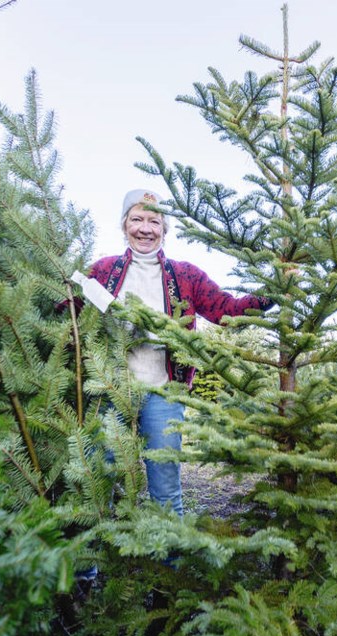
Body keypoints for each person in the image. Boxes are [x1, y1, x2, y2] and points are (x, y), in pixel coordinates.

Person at [69, 188, 273, 517]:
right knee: (99, 473)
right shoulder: (103, 271)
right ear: (124, 226)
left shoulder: (185, 275)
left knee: (165, 478)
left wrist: (274, 291)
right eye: (137, 219)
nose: (145, 228)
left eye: (154, 221)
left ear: (165, 229)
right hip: (109, 387)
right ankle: (88, 563)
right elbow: (69, 311)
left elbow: (227, 309)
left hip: (164, 390)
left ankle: (170, 558)